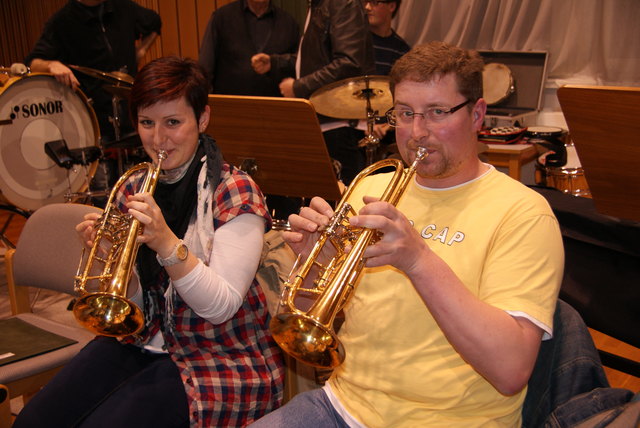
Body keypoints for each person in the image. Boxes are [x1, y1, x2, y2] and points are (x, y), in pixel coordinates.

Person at [249, 41, 564, 427]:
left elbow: (510, 371)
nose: (417, 132)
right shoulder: (371, 187)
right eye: (405, 113)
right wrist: (316, 263)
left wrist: (418, 260)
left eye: (437, 112)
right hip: (341, 404)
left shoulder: (523, 213)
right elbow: (308, 314)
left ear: (477, 114)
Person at [13, 56, 285, 428]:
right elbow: (135, 306)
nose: (158, 139)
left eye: (173, 122)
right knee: (35, 420)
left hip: (220, 355)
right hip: (143, 339)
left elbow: (220, 307)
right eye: (146, 123)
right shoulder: (133, 186)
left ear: (202, 119)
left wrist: (166, 243)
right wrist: (110, 260)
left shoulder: (234, 191)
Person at [251, 0, 375, 186]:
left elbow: (349, 63)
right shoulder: (320, 4)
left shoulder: (341, 3)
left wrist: (298, 87)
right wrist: (275, 62)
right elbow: (314, 59)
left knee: (341, 197)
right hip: (325, 120)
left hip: (338, 124)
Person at [25, 0, 161, 142]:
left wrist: (141, 51)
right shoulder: (62, 21)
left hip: (132, 110)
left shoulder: (123, 6)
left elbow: (154, 22)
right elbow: (32, 62)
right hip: (96, 120)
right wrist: (51, 65)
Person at [198, 0, 299, 97]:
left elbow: (297, 67)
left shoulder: (289, 23)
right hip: (230, 105)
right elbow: (205, 69)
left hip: (275, 105)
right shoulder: (221, 18)